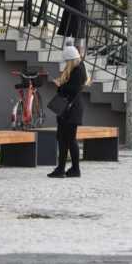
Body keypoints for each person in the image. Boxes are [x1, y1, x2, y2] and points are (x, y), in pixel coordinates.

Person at [48, 39, 89, 178]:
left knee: (67, 139)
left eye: (67, 62)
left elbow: (71, 89)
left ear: (70, 60)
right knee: (67, 139)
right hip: (72, 109)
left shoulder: (77, 70)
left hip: (70, 109)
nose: (66, 65)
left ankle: (63, 169)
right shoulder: (80, 68)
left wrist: (59, 85)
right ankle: (72, 169)